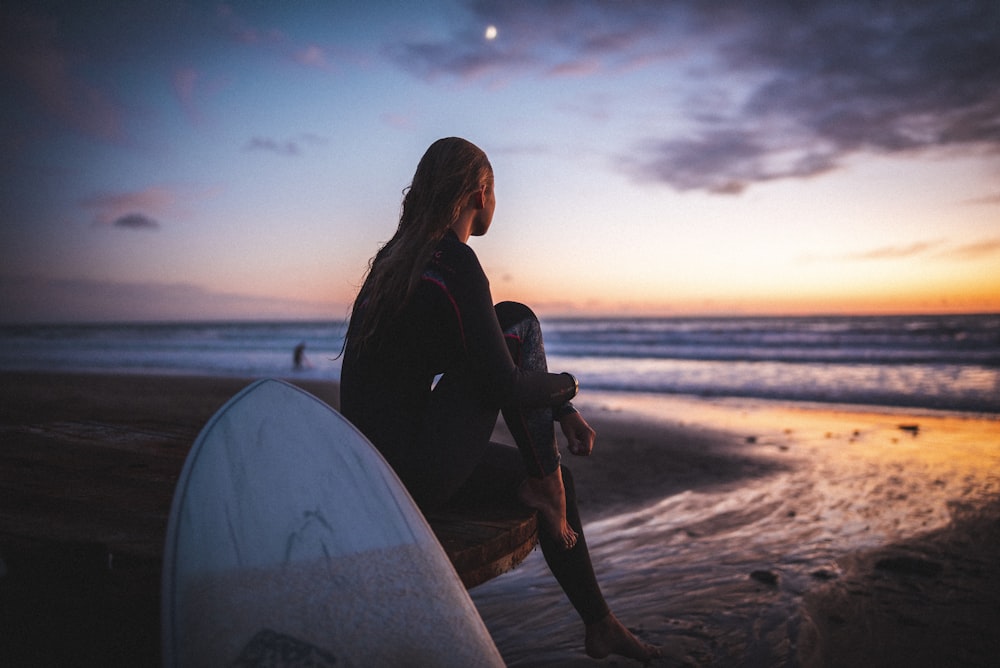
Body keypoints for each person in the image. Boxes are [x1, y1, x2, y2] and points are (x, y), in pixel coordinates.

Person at [340, 137, 659, 663]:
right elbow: (503, 383)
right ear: (480, 191)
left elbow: (482, 359)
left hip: (373, 468)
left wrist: (560, 411)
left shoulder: (394, 264)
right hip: (416, 476)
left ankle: (600, 624)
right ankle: (546, 484)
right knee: (519, 319)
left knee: (511, 337)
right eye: (495, 190)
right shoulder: (455, 263)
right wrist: (569, 385)